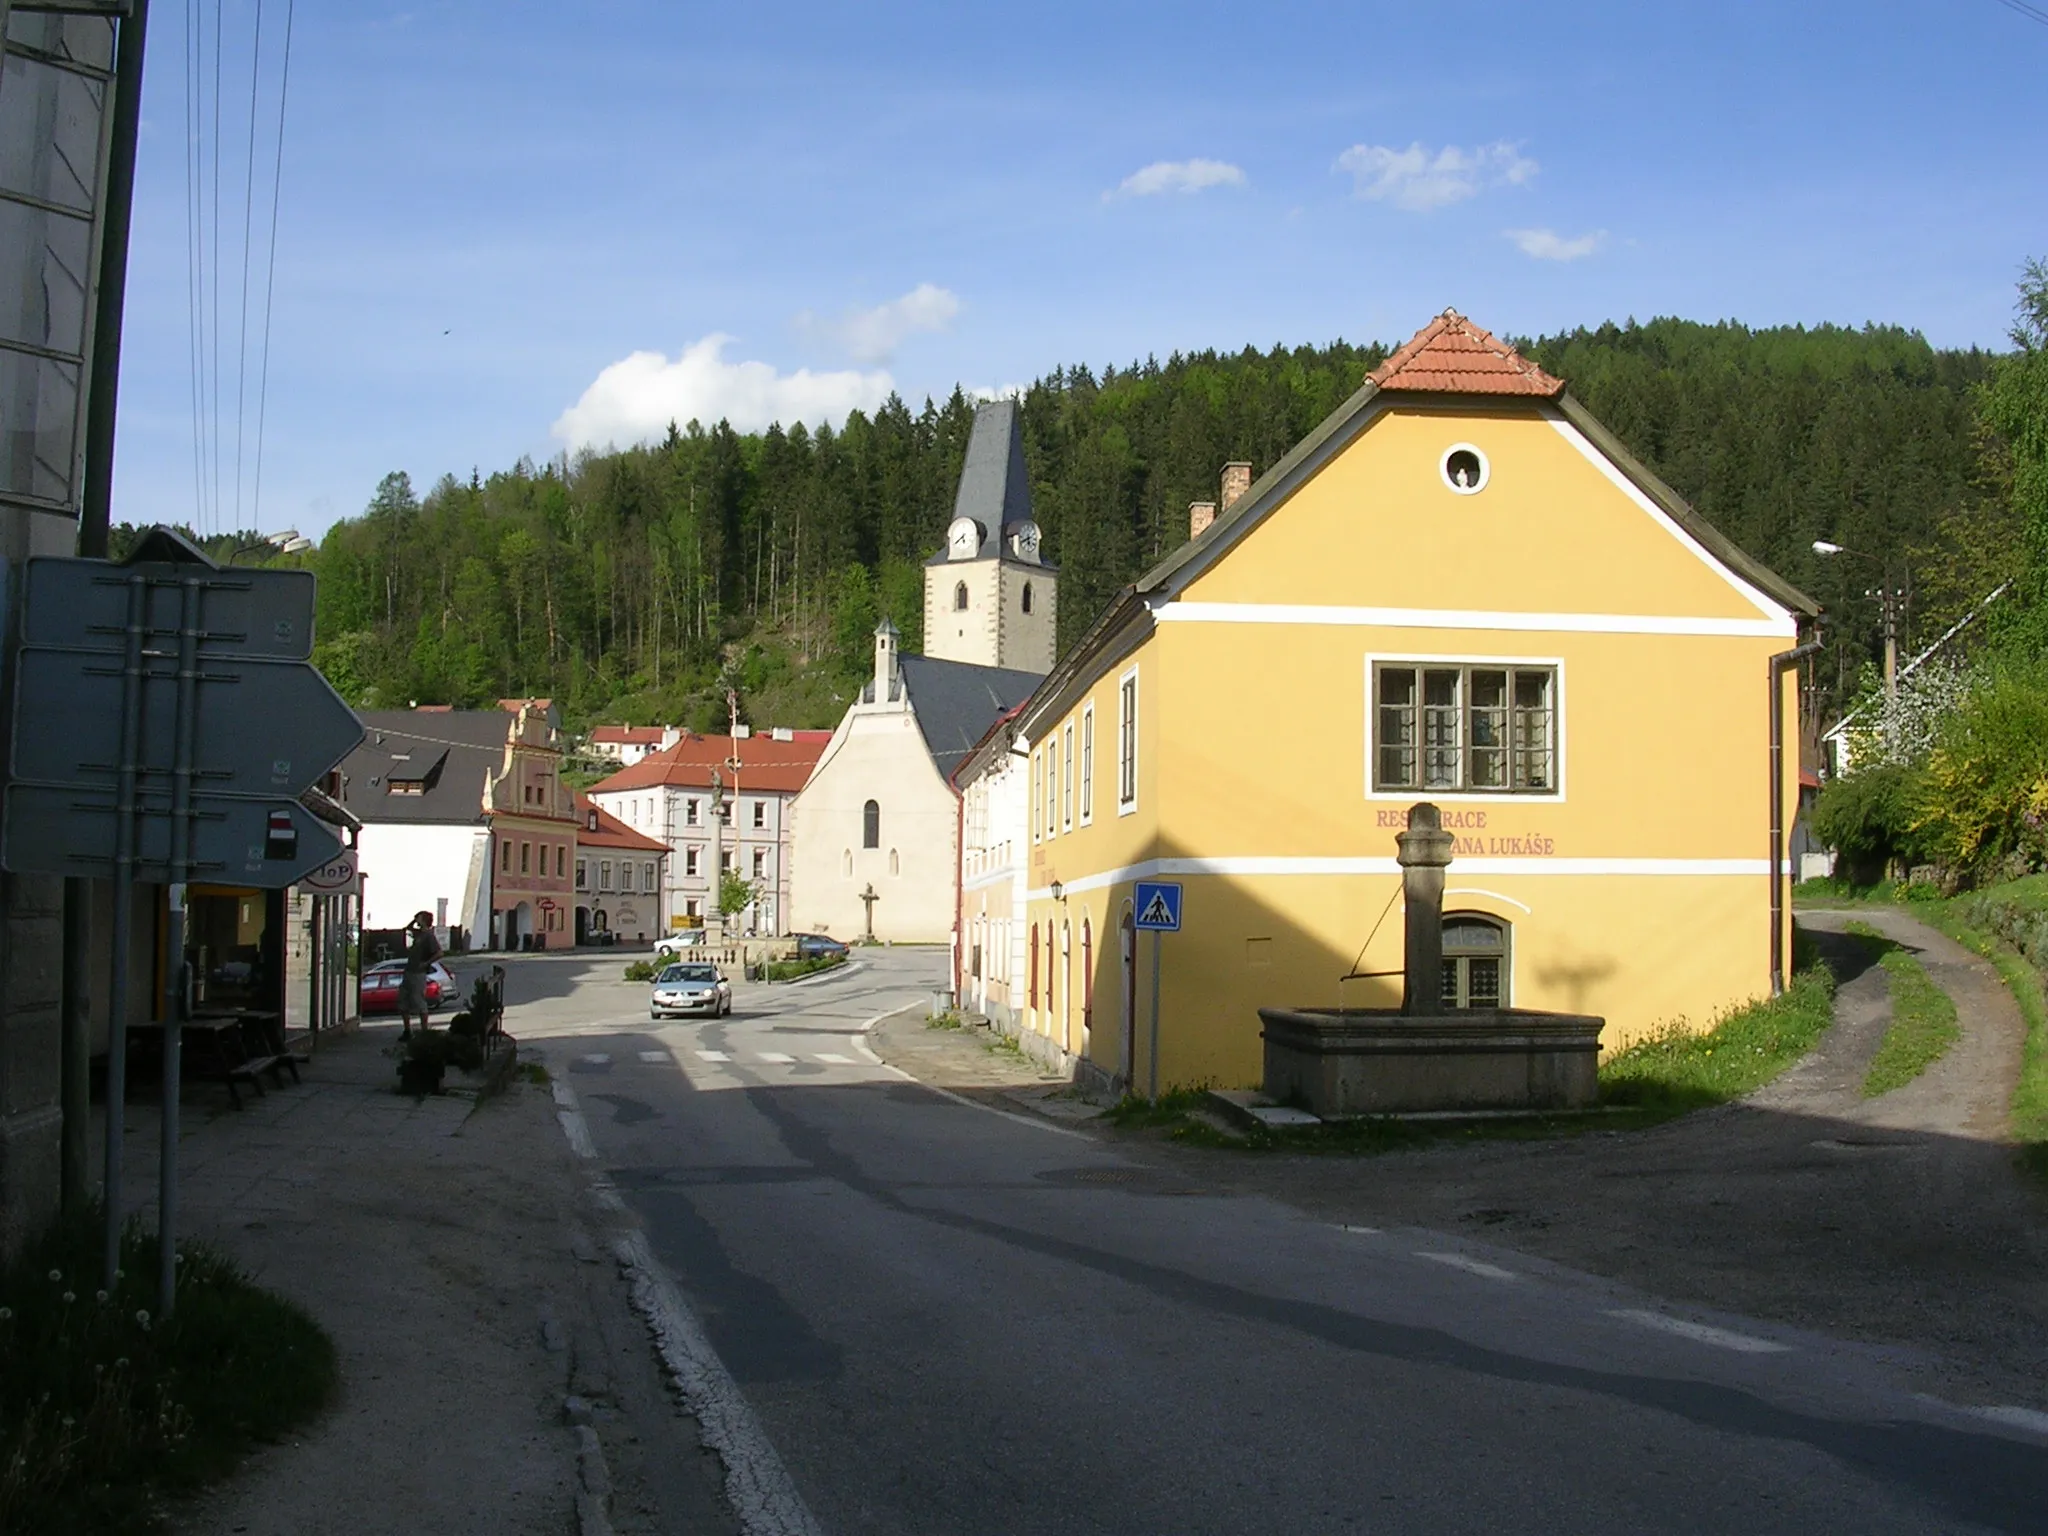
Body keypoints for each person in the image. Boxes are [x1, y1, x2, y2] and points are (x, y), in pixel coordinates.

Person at [398, 910, 443, 1037]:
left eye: (419, 918)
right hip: (409, 971)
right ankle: (407, 1031)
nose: (417, 919)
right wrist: (414, 919)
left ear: (423, 920)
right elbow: (407, 928)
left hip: (418, 973)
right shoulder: (419, 934)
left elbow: (439, 953)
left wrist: (426, 963)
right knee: (403, 1001)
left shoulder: (428, 936)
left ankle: (424, 1031)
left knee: (419, 1001)